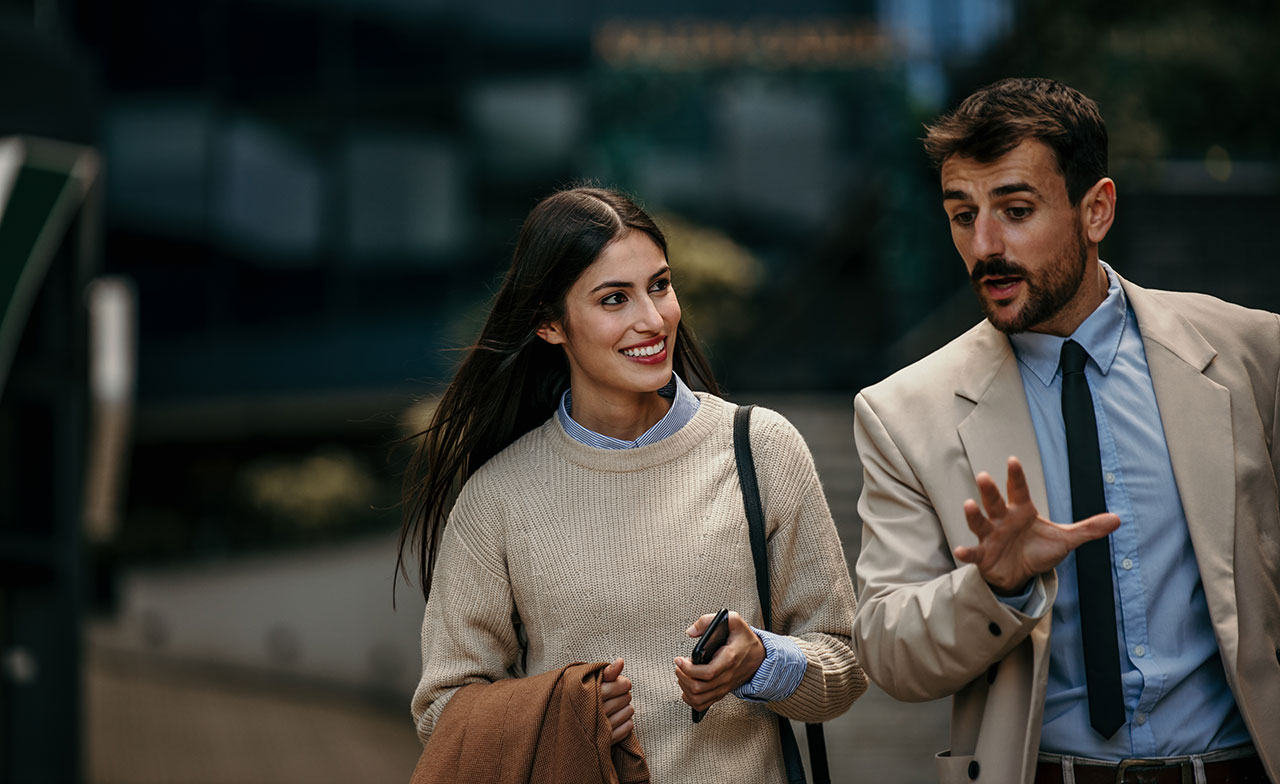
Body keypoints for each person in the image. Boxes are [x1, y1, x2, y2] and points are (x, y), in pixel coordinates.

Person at [851, 78, 1279, 784]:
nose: (985, 245)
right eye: (962, 215)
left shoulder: (1252, 356)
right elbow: (888, 654)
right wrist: (993, 588)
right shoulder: (903, 412)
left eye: (1016, 211)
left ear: (1096, 210)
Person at [399, 186, 866, 782]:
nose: (652, 318)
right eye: (614, 298)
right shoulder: (498, 497)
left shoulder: (760, 448)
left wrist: (762, 663)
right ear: (549, 324)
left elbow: (845, 667)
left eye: (660, 285)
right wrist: (563, 713)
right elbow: (442, 713)